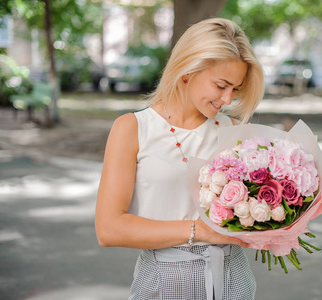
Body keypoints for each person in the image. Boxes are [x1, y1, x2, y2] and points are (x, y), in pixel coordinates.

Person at [95, 17, 264, 300]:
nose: (228, 99)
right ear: (188, 71)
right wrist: (201, 232)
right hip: (164, 282)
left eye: (235, 89)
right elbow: (109, 229)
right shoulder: (132, 128)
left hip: (233, 280)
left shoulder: (233, 132)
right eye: (221, 85)